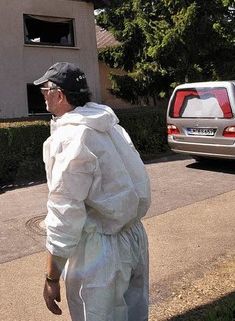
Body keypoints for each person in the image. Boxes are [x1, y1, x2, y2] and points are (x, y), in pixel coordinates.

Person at [34, 62, 151, 320]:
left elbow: (64, 214)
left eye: (45, 89)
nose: (42, 94)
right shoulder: (109, 125)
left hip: (100, 255)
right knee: (135, 315)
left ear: (59, 94)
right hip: (134, 239)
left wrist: (51, 277)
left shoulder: (70, 139)